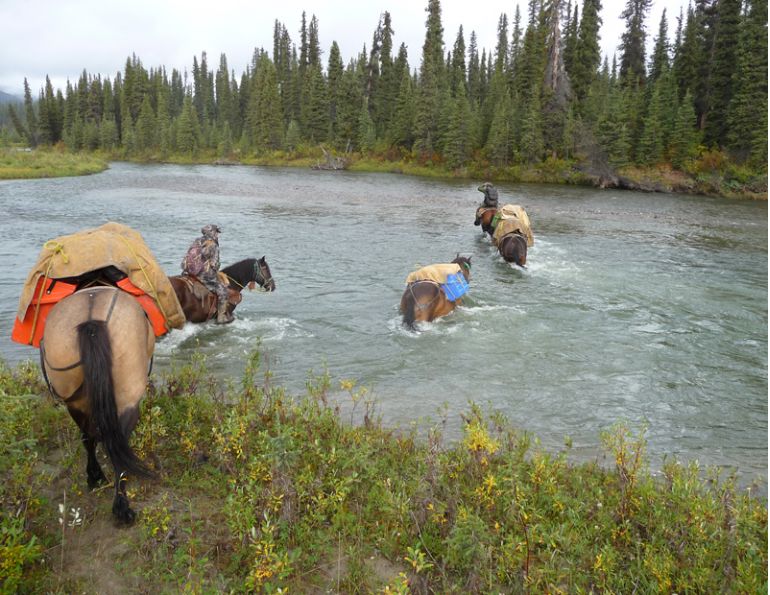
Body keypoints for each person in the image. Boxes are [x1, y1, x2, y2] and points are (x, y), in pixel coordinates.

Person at [181, 224, 233, 324]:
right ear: (212, 232)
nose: (218, 235)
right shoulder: (213, 244)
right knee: (223, 292)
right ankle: (221, 318)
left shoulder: (197, 241)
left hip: (188, 272)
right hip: (203, 276)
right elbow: (215, 265)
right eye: (216, 232)